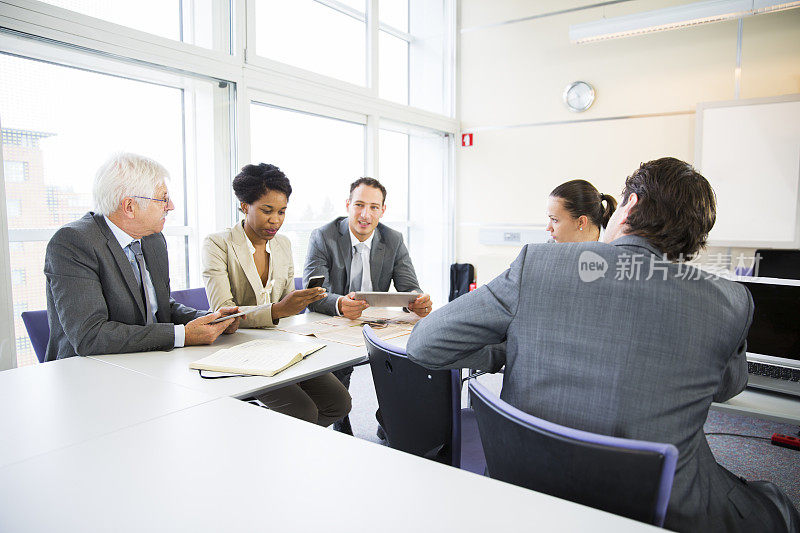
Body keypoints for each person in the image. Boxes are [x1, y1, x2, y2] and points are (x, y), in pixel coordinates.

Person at [407, 157, 799, 532]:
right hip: (661, 508)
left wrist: (513, 347)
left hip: (527, 484)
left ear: (630, 204)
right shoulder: (728, 300)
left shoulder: (538, 265)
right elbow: (728, 387)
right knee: (776, 505)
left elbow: (426, 344)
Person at [45, 153, 241, 362]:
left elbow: (160, 307)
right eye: (163, 199)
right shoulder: (73, 242)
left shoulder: (153, 238)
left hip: (148, 361)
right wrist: (182, 335)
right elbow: (90, 336)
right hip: (87, 372)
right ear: (129, 207)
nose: (171, 206)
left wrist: (209, 319)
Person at [202, 163, 351, 427]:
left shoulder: (283, 244)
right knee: (302, 411)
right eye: (267, 210)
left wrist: (299, 302)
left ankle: (285, 441)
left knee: (339, 402)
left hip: (280, 344)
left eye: (282, 212)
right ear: (244, 206)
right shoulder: (217, 244)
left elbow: (288, 302)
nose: (276, 220)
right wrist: (277, 310)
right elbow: (223, 312)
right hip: (238, 348)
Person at [304, 177, 431, 434]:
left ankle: (388, 420)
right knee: (341, 366)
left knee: (411, 355)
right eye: (359, 205)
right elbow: (313, 294)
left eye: (374, 207)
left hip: (374, 324)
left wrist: (417, 302)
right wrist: (340, 303)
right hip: (334, 321)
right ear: (348, 205)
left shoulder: (392, 239)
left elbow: (410, 286)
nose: (365, 214)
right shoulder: (323, 236)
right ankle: (341, 418)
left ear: (383, 210)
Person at [546, 179, 617, 242]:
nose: (548, 228)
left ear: (581, 222)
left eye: (554, 220)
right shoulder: (551, 247)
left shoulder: (613, 250)